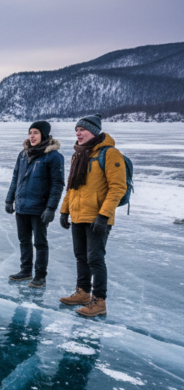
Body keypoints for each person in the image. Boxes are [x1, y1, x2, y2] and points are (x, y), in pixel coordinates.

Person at [59, 114, 126, 317]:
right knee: (81, 257)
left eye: (83, 130)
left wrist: (104, 215)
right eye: (76, 130)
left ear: (94, 131)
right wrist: (64, 211)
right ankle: (83, 292)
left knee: (95, 259)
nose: (78, 133)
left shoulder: (110, 153)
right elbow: (72, 187)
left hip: (98, 217)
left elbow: (117, 188)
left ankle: (99, 301)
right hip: (78, 215)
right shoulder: (78, 154)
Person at [5, 121, 65, 288]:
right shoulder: (23, 155)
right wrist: (9, 199)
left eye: (36, 132)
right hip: (22, 205)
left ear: (44, 135)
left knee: (40, 243)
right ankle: (25, 271)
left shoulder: (54, 157)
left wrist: (51, 208)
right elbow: (15, 178)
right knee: (24, 240)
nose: (32, 136)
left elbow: (57, 184)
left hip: (39, 207)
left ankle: (40, 276)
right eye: (30, 132)